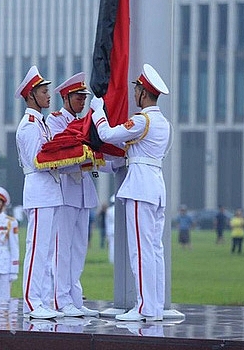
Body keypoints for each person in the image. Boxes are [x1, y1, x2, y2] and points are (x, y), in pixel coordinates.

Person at [91, 63, 170, 322]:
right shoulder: (162, 123)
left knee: (141, 250)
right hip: (155, 187)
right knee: (154, 250)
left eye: (137, 89)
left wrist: (98, 112)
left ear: (143, 93)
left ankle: (145, 307)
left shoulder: (141, 120)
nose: (134, 93)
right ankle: (154, 307)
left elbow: (107, 134)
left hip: (140, 188)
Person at [45, 72, 99, 317]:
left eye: (84, 97)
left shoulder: (85, 122)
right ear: (66, 97)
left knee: (78, 248)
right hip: (65, 189)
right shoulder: (55, 121)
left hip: (83, 190)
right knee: (62, 248)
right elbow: (58, 154)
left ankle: (74, 298)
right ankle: (60, 299)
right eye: (78, 97)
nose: (82, 101)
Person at [15, 65, 64, 320]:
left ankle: (43, 299)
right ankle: (32, 302)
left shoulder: (41, 123)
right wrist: (63, 156)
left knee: (46, 250)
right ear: (31, 95)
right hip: (39, 189)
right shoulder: (30, 125)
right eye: (44, 91)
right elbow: (37, 160)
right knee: (36, 248)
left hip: (50, 189)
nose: (48, 96)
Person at [105, 195, 116, 264]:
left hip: (111, 229)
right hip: (119, 230)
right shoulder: (122, 210)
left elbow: (107, 222)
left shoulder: (109, 210)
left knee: (112, 245)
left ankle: (112, 260)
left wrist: (107, 233)